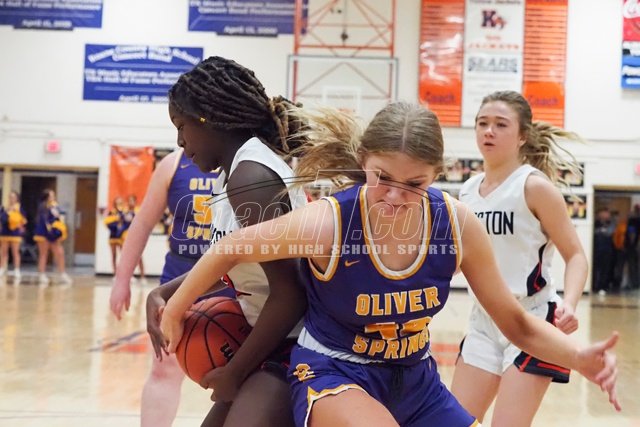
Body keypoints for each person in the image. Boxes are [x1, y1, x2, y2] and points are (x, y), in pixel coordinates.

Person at [159, 101, 620, 427]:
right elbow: (232, 247)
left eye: (415, 184)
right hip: (334, 371)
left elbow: (516, 323)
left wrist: (578, 358)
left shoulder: (456, 224)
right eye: (382, 178)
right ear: (364, 163)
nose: (396, 197)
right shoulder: (329, 223)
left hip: (417, 380)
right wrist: (175, 310)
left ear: (437, 175)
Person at [141, 56, 309, 427]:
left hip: (296, 343)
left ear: (208, 118)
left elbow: (291, 293)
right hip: (272, 340)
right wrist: (165, 293)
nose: (180, 142)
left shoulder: (251, 177)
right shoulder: (234, 172)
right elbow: (235, 268)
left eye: (181, 127)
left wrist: (236, 371)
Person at [450, 90, 590, 426]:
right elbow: (460, 259)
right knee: (453, 421)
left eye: (501, 124)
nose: (489, 131)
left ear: (522, 135)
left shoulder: (534, 187)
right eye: (482, 123)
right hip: (484, 320)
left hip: (532, 318)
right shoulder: (467, 192)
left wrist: (570, 304)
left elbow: (576, 255)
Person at [110, 148, 226, 427]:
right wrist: (122, 279)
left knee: (237, 371)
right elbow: (143, 222)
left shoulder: (242, 159)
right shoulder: (172, 164)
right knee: (165, 368)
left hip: (230, 277)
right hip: (179, 274)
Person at [33, 189, 72, 286]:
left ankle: (62, 274)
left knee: (60, 253)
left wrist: (59, 229)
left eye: (53, 195)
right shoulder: (43, 206)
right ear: (46, 197)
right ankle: (42, 274)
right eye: (51, 195)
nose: (53, 197)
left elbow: (60, 217)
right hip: (43, 232)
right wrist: (49, 228)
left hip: (54, 233)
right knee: (43, 253)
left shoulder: (56, 206)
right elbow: (44, 220)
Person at [0, 190, 27, 283]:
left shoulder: (20, 208)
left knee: (15, 251)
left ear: (17, 198)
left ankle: (17, 270)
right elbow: (2, 219)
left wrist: (21, 227)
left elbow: (24, 221)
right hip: (5, 232)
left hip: (15, 232)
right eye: (10, 197)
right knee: (3, 251)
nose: (12, 199)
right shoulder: (5, 208)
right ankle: (2, 268)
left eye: (13, 197)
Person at [120, 194, 146, 283]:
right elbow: (121, 221)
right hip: (126, 235)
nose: (131, 202)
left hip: (136, 235)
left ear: (135, 201)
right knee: (127, 257)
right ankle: (129, 276)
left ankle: (142, 276)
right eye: (129, 200)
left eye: (132, 200)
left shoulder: (138, 210)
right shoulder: (125, 211)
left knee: (138, 256)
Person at [103, 196, 125, 273]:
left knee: (123, 255)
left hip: (122, 236)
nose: (119, 203)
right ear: (115, 203)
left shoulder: (124, 212)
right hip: (113, 235)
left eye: (120, 202)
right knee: (114, 255)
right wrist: (116, 223)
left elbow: (125, 223)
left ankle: (123, 273)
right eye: (117, 202)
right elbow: (107, 223)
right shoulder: (111, 212)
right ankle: (115, 273)